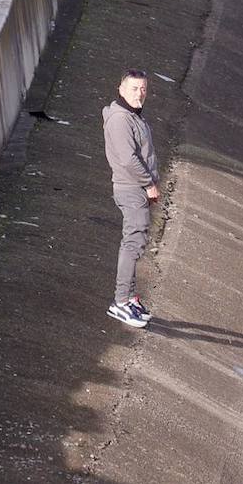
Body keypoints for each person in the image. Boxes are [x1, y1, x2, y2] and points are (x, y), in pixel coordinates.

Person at [103, 68, 160, 327]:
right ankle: (121, 302)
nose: (140, 94)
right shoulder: (120, 119)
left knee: (135, 242)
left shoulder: (133, 116)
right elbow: (128, 159)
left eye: (143, 89)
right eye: (134, 88)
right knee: (132, 244)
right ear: (121, 89)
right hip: (131, 188)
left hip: (135, 188)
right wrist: (149, 184)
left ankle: (130, 297)